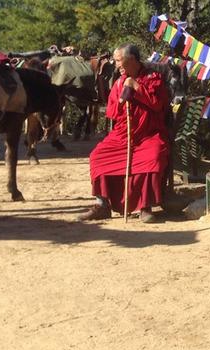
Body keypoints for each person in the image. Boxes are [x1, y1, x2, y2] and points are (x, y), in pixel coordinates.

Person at [77, 44, 169, 223]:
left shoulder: (153, 78)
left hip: (149, 135)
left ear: (132, 59)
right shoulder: (119, 82)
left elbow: (158, 105)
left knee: (153, 156)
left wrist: (136, 87)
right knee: (97, 156)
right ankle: (102, 204)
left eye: (119, 60)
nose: (116, 64)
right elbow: (112, 111)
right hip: (122, 135)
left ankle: (145, 207)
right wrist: (120, 102)